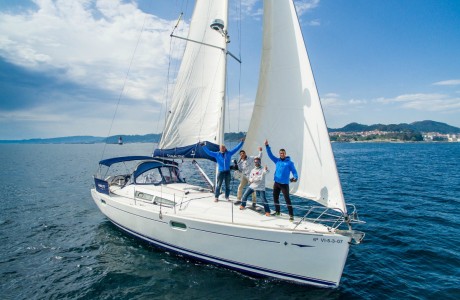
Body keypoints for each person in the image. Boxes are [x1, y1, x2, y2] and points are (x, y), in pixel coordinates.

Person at [264, 139, 298, 221]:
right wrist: (267, 146)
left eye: (283, 153)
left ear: (285, 154)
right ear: (279, 154)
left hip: (284, 184)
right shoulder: (277, 161)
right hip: (276, 183)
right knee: (275, 198)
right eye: (280, 153)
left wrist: (295, 177)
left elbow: (294, 172)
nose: (281, 154)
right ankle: (278, 212)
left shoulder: (289, 163)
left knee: (287, 200)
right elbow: (270, 155)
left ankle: (291, 215)